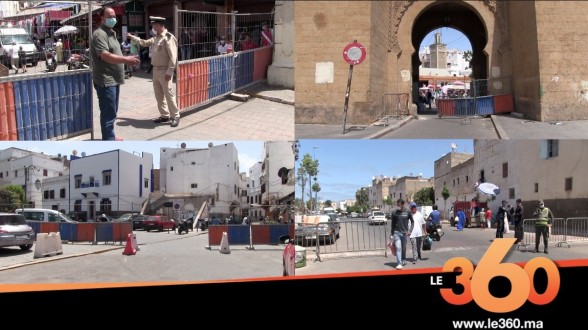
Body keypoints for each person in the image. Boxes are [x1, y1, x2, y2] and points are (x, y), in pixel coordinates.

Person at [91, 6, 141, 141]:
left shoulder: (111, 32)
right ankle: (108, 142)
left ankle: (110, 136)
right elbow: (105, 55)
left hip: (114, 79)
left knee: (112, 111)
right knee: (108, 113)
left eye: (114, 16)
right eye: (109, 17)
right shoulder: (100, 34)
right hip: (106, 81)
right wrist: (126, 59)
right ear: (102, 18)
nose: (113, 19)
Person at [127, 17, 181, 128]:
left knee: (168, 94)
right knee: (159, 95)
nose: (154, 28)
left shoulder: (168, 38)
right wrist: (132, 37)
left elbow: (173, 57)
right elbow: (144, 42)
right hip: (155, 70)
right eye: (153, 26)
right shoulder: (156, 38)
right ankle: (164, 115)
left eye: (155, 25)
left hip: (164, 70)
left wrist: (170, 71)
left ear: (161, 25)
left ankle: (175, 116)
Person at [391, 199, 414, 270]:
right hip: (396, 233)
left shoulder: (407, 212)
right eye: (397, 204)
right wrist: (391, 235)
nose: (398, 206)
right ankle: (399, 263)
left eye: (399, 205)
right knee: (398, 248)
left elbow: (412, 222)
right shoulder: (394, 212)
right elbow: (393, 224)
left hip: (404, 233)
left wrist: (410, 230)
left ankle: (403, 259)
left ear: (403, 204)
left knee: (403, 248)